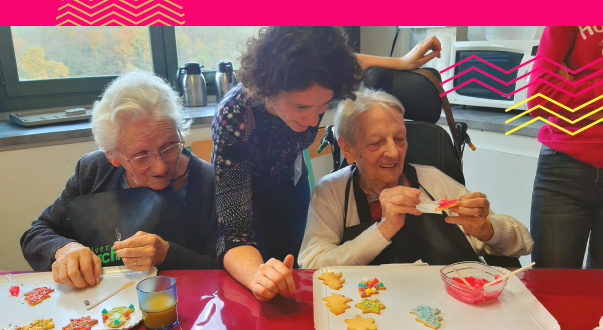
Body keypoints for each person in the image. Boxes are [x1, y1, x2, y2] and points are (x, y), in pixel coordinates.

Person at [212, 26, 442, 301]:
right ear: (267, 90)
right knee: (262, 283)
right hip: (248, 190)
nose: (312, 122)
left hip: (291, 179)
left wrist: (402, 62)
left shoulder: (320, 76)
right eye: (300, 108)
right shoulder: (236, 117)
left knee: (295, 267)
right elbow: (233, 232)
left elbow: (353, 61)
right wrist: (257, 277)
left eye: (321, 108)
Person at [21, 71, 218, 288]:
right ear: (113, 156)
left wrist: (168, 254)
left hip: (180, 304)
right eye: (142, 155)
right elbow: (36, 233)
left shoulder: (207, 180)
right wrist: (64, 249)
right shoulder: (93, 171)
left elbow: (221, 266)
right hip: (101, 305)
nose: (160, 166)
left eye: (170, 147)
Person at [298, 89, 533, 268]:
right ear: (347, 149)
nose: (393, 152)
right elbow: (311, 265)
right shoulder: (332, 191)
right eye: (377, 142)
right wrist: (384, 229)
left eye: (399, 139)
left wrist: (488, 230)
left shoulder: (432, 181)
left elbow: (523, 242)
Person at [527, 26, 603, 268]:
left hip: (564, 157)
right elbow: (540, 97)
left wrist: (573, 87)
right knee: (551, 291)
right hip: (563, 170)